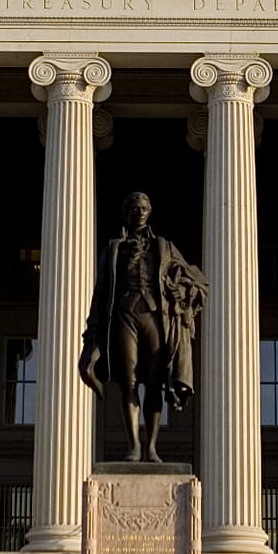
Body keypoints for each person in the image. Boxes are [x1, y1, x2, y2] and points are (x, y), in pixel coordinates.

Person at [78, 192, 208, 462]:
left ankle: (151, 447)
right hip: (125, 315)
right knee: (129, 382)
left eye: (144, 207)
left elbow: (196, 281)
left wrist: (184, 291)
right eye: (134, 208)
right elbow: (100, 295)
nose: (139, 211)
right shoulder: (112, 250)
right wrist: (92, 336)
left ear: (150, 212)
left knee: (154, 383)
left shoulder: (164, 246)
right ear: (126, 212)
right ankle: (134, 446)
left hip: (154, 317)